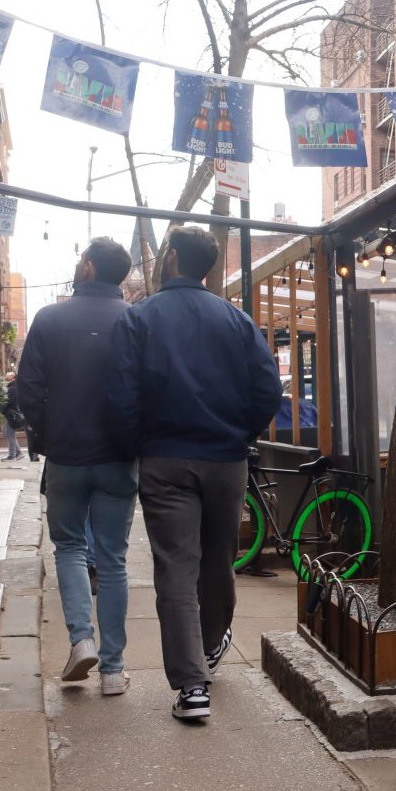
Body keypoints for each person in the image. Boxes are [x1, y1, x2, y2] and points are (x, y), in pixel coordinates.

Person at [106, 226, 282, 721]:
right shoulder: (236, 320)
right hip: (227, 459)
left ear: (175, 258)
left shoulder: (139, 319)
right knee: (218, 560)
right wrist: (241, 431)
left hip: (164, 458)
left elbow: (121, 397)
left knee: (176, 567)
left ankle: (191, 686)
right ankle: (208, 647)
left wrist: (135, 447)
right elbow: (268, 388)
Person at [16, 238, 137, 696]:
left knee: (67, 548)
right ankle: (112, 669)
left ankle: (81, 640)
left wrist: (47, 436)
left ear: (87, 268)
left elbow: (29, 389)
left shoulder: (50, 318)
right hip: (119, 459)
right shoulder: (134, 321)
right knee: (113, 559)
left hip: (66, 455)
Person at [1, 372, 24, 460]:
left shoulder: (12, 389)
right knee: (8, 434)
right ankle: (18, 452)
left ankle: (12, 455)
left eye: (9, 375)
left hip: (9, 414)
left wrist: (2, 411)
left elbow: (10, 402)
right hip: (8, 414)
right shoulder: (10, 388)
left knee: (9, 434)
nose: (6, 376)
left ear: (14, 378)